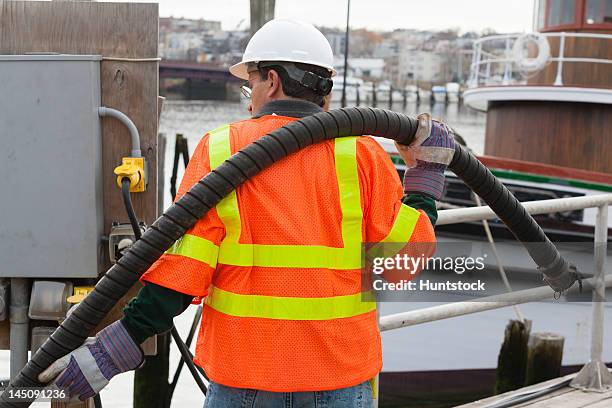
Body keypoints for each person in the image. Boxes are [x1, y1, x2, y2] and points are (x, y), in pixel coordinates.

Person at [39, 19, 455, 407]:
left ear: (271, 82)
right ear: (323, 90)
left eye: (249, 84)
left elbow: (184, 272)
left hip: (245, 380)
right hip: (339, 379)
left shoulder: (222, 149)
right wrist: (426, 174)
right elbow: (402, 261)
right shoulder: (362, 154)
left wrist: (117, 347)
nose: (248, 99)